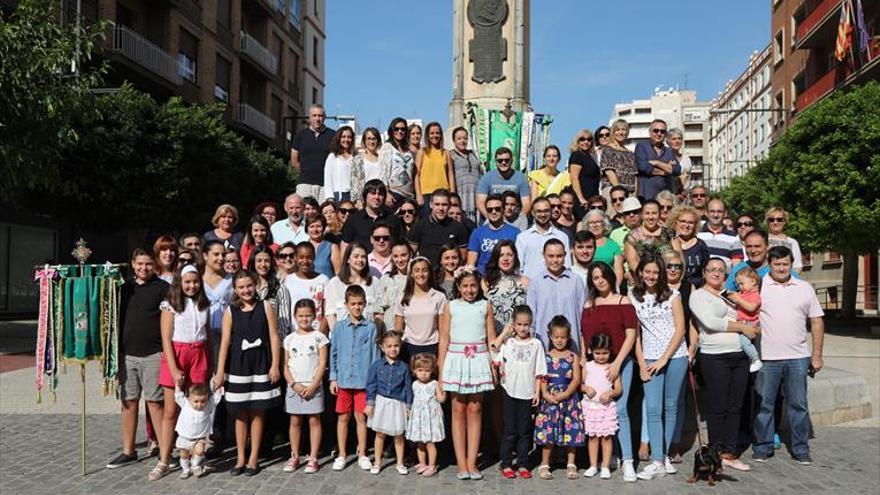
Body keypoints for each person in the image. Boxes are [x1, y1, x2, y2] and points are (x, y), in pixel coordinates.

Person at [752, 246, 825, 465]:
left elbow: (817, 321)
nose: (781, 268)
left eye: (785, 264)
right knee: (764, 405)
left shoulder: (805, 288)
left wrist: (817, 356)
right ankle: (762, 447)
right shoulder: (760, 287)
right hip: (767, 357)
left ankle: (800, 448)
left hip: (798, 357)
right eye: (777, 264)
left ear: (791, 264)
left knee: (798, 404)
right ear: (770, 264)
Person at [689, 258, 758, 472]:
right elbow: (711, 323)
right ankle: (716, 453)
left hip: (738, 355)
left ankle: (729, 452)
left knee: (735, 406)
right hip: (715, 356)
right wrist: (741, 327)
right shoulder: (698, 296)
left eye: (721, 270)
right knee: (718, 407)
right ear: (704, 272)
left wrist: (749, 327)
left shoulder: (727, 295)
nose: (717, 273)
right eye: (712, 270)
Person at [107, 249, 170, 475]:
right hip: (127, 355)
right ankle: (128, 449)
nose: (144, 268)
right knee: (128, 401)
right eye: (140, 264)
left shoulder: (163, 288)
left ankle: (165, 451)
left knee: (155, 402)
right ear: (133, 264)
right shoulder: (123, 289)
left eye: (148, 264)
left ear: (154, 265)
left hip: (154, 354)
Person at [214, 270, 282, 476]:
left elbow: (274, 336)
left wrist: (275, 365)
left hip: (261, 364)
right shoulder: (230, 311)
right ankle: (241, 458)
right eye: (241, 287)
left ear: (255, 285)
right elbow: (225, 343)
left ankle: (253, 458)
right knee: (240, 414)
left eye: (249, 286)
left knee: (258, 412)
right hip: (238, 366)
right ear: (235, 289)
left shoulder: (266, 306)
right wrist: (219, 373)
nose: (246, 290)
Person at [631, 255, 688, 480]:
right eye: (647, 272)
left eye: (655, 272)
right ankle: (656, 460)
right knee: (653, 409)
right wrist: (642, 363)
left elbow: (681, 329)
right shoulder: (633, 297)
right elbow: (634, 334)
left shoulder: (673, 295)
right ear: (641, 273)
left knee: (671, 406)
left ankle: (663, 456)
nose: (651, 276)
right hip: (650, 356)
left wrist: (666, 358)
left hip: (676, 355)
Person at [580, 262, 638, 482]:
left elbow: (631, 335)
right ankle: (607, 457)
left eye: (603, 276)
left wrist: (617, 363)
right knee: (599, 410)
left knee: (619, 410)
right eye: (595, 277)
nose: (600, 280)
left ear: (611, 277)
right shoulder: (588, 305)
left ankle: (628, 460)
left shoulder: (623, 301)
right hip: (596, 365)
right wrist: (585, 363)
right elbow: (585, 337)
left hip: (621, 363)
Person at [439, 268, 497, 480]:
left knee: (475, 409)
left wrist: (494, 364)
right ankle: (461, 463)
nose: (470, 290)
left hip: (479, 360)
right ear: (458, 288)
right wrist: (441, 371)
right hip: (456, 360)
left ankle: (473, 462)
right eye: (465, 286)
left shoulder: (485, 306)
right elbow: (444, 339)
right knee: (458, 409)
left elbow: (491, 338)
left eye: (473, 285)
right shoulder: (451, 306)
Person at [157, 265, 211, 476]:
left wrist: (212, 366)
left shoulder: (203, 304)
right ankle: (164, 459)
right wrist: (174, 368)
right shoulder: (170, 305)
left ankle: (196, 457)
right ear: (180, 282)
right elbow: (166, 338)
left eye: (195, 281)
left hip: (199, 354)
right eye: (187, 282)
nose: (191, 286)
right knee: (171, 410)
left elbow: (207, 335)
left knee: (199, 406)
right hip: (178, 355)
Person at [328, 285, 381, 471]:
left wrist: (374, 383)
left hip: (363, 382)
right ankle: (342, 454)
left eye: (360, 304)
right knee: (343, 417)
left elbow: (375, 357)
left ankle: (363, 453)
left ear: (365, 304)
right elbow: (333, 353)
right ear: (346, 305)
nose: (357, 307)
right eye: (353, 304)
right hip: (343, 380)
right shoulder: (339, 328)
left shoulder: (371, 328)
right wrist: (333, 377)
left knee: (361, 418)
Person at [491, 305, 547, 480]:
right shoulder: (509, 343)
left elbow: (540, 370)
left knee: (524, 430)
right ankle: (506, 463)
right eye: (519, 324)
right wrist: (505, 333)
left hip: (528, 392)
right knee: (509, 430)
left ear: (530, 324)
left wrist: (537, 392)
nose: (522, 328)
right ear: (513, 324)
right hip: (509, 391)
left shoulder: (536, 344)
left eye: (526, 325)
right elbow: (494, 350)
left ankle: (523, 463)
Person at [534, 315, 585, 481]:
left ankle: (571, 463)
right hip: (550, 399)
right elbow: (542, 377)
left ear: (568, 336)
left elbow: (576, 379)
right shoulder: (546, 356)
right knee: (549, 431)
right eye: (556, 337)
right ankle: (545, 463)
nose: (560, 340)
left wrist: (565, 394)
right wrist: (545, 394)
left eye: (563, 337)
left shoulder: (573, 356)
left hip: (569, 399)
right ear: (550, 336)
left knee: (571, 431)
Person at [282, 298, 328, 474]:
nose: (304, 319)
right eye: (300, 316)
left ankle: (313, 457)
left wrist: (314, 385)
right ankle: (294, 455)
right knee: (295, 421)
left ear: (314, 316)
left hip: (313, 386)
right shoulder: (289, 339)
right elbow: (285, 365)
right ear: (295, 316)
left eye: (308, 315)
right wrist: (293, 384)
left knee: (314, 420)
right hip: (295, 387)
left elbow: (322, 363)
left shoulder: (319, 338)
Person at [364, 331, 413, 475]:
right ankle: (377, 462)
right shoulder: (377, 365)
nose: (393, 349)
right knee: (380, 434)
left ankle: (399, 462)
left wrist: (408, 406)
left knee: (398, 435)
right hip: (381, 403)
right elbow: (371, 384)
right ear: (382, 347)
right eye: (389, 346)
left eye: (396, 345)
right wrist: (370, 403)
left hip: (398, 403)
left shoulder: (404, 367)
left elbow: (408, 387)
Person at [527, 239, 585, 352]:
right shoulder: (536, 282)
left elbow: (583, 315)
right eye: (551, 256)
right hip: (543, 346)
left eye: (559, 256)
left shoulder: (576, 280)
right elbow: (531, 317)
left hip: (572, 347)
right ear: (543, 255)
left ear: (565, 255)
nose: (555, 260)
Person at [581, 333, 622, 480]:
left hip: (606, 408)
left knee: (606, 438)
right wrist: (585, 388)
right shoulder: (588, 366)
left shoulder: (612, 367)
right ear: (591, 351)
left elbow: (619, 389)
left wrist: (611, 392)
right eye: (598, 353)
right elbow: (579, 383)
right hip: (591, 407)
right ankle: (593, 465)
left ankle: (605, 466)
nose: (601, 356)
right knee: (592, 437)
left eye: (605, 353)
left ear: (610, 351)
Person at [395, 256, 448, 359]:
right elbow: (398, 329)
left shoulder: (439, 297)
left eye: (424, 270)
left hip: (432, 348)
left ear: (429, 273)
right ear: (411, 274)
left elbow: (443, 332)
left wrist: (441, 357)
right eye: (417, 270)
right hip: (408, 348)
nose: (421, 274)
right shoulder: (402, 298)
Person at [406, 353, 446, 477]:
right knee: (419, 442)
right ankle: (422, 462)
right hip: (419, 417)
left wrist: (443, 391)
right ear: (414, 371)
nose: (423, 373)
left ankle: (432, 465)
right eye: (420, 370)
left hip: (431, 418)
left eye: (427, 370)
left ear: (432, 371)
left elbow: (441, 399)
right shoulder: (414, 385)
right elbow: (413, 400)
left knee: (430, 442)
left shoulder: (434, 384)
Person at [325, 242, 381, 330]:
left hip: (369, 337)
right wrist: (338, 337)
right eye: (356, 256)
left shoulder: (374, 282)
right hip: (343, 337)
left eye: (363, 257)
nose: (360, 260)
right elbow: (331, 315)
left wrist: (376, 336)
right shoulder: (334, 283)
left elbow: (379, 313)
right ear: (347, 259)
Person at [173, 383, 223, 479]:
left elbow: (215, 399)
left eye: (203, 401)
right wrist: (178, 385)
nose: (199, 404)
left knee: (199, 451)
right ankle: (186, 469)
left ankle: (195, 466)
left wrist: (218, 388)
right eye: (196, 401)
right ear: (189, 399)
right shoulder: (185, 404)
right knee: (183, 455)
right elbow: (178, 395)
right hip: (184, 437)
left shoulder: (208, 406)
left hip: (200, 437)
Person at [408, 188, 469, 265]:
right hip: (427, 274)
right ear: (430, 204)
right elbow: (410, 254)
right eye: (437, 204)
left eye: (444, 204)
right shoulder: (419, 226)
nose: (441, 208)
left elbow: (463, 257)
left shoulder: (459, 228)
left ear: (449, 205)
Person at [341, 179, 403, 252]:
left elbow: (400, 244)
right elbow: (345, 245)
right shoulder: (353, 220)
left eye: (380, 194)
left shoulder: (393, 219)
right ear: (365, 196)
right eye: (373, 193)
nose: (377, 197)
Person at [516, 197, 570, 280]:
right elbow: (518, 268)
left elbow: (567, 266)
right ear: (533, 213)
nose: (543, 215)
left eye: (546, 211)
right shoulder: (522, 238)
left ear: (550, 212)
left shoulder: (562, 237)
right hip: (529, 288)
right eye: (539, 211)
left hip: (556, 286)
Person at [291, 104, 336, 200]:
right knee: (304, 213)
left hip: (326, 186)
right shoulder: (300, 135)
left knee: (326, 213)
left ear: (325, 117)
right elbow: (294, 160)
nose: (317, 118)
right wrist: (306, 172)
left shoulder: (333, 135)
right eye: (314, 115)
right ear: (309, 117)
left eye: (320, 115)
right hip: (304, 184)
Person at [466, 193, 520, 274]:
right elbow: (471, 264)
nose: (493, 212)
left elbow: (518, 260)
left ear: (503, 209)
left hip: (507, 279)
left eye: (497, 209)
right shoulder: (477, 233)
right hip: (483, 279)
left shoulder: (515, 232)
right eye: (490, 209)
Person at [483, 240, 529, 333]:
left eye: (509, 255)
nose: (505, 259)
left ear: (515, 257)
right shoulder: (486, 281)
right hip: (494, 336)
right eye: (501, 255)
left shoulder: (525, 281)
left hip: (517, 336)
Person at [476, 147, 532, 218]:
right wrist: (490, 218)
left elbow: (526, 203)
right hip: (492, 217)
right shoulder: (487, 177)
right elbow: (480, 202)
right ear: (495, 161)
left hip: (514, 218)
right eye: (500, 160)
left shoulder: (521, 178)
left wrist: (519, 220)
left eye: (506, 160)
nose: (503, 162)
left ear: (511, 161)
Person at [250, 245, 292, 337]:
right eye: (259, 261)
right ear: (253, 262)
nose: (263, 265)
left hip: (271, 341)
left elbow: (284, 323)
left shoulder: (280, 289)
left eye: (267, 261)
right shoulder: (247, 289)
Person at [415, 121, 456, 214]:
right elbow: (416, 175)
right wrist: (418, 194)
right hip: (426, 193)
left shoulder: (446, 153)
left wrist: (452, 194)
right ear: (427, 135)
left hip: (443, 193)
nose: (435, 135)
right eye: (432, 133)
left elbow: (450, 175)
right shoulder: (422, 152)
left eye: (437, 133)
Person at [729, 266, 763, 373]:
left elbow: (751, 308)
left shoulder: (755, 295)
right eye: (738, 284)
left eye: (742, 283)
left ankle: (755, 359)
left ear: (753, 281)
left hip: (751, 324)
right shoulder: (743, 293)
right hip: (742, 323)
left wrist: (738, 299)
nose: (739, 287)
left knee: (743, 342)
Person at [579, 209, 624, 286]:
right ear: (587, 225)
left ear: (604, 224)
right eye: (592, 223)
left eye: (598, 222)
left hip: (608, 286)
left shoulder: (613, 245)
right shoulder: (581, 244)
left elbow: (618, 271)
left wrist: (614, 289)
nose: (595, 225)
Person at [669, 205, 710, 287]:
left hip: (696, 289)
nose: (686, 225)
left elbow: (706, 270)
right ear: (675, 222)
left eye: (691, 222)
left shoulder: (701, 245)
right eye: (683, 221)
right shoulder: (668, 243)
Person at [697, 199, 743, 270]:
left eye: (719, 211)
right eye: (712, 211)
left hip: (725, 280)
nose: (716, 215)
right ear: (706, 212)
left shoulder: (734, 237)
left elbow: (737, 267)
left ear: (725, 213)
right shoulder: (697, 234)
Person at [449, 126, 483, 222]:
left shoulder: (473, 154)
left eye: (465, 138)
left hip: (475, 193)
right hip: (461, 193)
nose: (462, 141)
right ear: (454, 140)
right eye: (459, 138)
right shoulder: (451, 155)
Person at [380, 117, 416, 209]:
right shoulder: (388, 147)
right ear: (392, 130)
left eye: (403, 129)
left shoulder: (408, 150)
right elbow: (383, 172)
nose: (400, 131)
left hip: (409, 195)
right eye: (397, 129)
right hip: (394, 194)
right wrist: (387, 193)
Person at [376, 240, 412, 323]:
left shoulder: (417, 280)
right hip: (389, 331)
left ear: (410, 254)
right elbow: (379, 312)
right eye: (396, 256)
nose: (399, 260)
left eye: (403, 255)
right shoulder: (386, 279)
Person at [568, 129, 601, 213]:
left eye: (589, 139)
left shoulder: (590, 157)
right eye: (582, 139)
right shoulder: (577, 155)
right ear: (577, 141)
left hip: (592, 198)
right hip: (582, 200)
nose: (586, 142)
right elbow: (574, 178)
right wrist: (581, 198)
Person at [601, 119, 637, 193]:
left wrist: (635, 194)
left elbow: (635, 176)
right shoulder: (608, 150)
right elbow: (609, 173)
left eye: (623, 129)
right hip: (613, 191)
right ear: (613, 132)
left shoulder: (630, 153)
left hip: (630, 192)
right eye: (617, 130)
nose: (621, 132)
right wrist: (620, 191)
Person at [350, 127, 383, 206]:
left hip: (379, 198)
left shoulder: (382, 159)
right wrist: (357, 201)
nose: (371, 141)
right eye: (368, 138)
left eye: (374, 138)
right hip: (364, 200)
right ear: (364, 141)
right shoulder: (358, 159)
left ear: (378, 140)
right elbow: (354, 181)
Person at [323, 125, 356, 202]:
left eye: (349, 137)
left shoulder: (355, 157)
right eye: (343, 137)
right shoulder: (333, 156)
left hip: (353, 196)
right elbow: (328, 178)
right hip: (337, 195)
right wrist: (330, 197)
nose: (346, 139)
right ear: (339, 138)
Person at [765, 207, 804, 271]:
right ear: (768, 222)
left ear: (785, 221)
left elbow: (797, 266)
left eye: (779, 219)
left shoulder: (792, 242)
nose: (775, 222)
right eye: (771, 219)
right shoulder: (761, 240)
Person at [305, 214, 339, 278]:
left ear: (324, 228)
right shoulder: (302, 247)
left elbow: (338, 273)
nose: (315, 229)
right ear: (307, 229)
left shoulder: (332, 247)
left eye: (318, 226)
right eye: (311, 226)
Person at [666, 129, 691, 195]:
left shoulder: (687, 159)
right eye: (674, 139)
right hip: (669, 195)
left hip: (685, 195)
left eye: (679, 138)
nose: (677, 141)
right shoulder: (664, 158)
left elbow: (689, 178)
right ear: (668, 141)